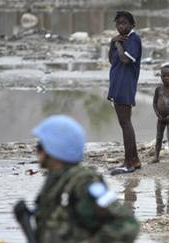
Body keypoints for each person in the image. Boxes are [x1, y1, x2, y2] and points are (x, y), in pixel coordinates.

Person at [14, 115, 139, 243]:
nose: (37, 151)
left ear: (55, 149)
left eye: (40, 146)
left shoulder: (84, 183)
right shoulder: (55, 180)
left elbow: (127, 225)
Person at [108, 11, 142, 175]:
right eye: (118, 23)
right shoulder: (118, 40)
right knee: (124, 123)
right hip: (117, 85)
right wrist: (112, 43)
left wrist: (118, 45)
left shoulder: (133, 39)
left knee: (125, 123)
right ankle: (134, 159)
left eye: (124, 23)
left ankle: (129, 163)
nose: (121, 26)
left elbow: (126, 59)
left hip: (125, 85)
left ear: (132, 25)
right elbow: (111, 60)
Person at [153, 64, 169, 162]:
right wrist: (158, 115)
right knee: (159, 136)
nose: (166, 78)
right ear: (161, 76)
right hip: (160, 118)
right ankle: (156, 156)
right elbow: (154, 103)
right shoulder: (158, 89)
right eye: (164, 76)